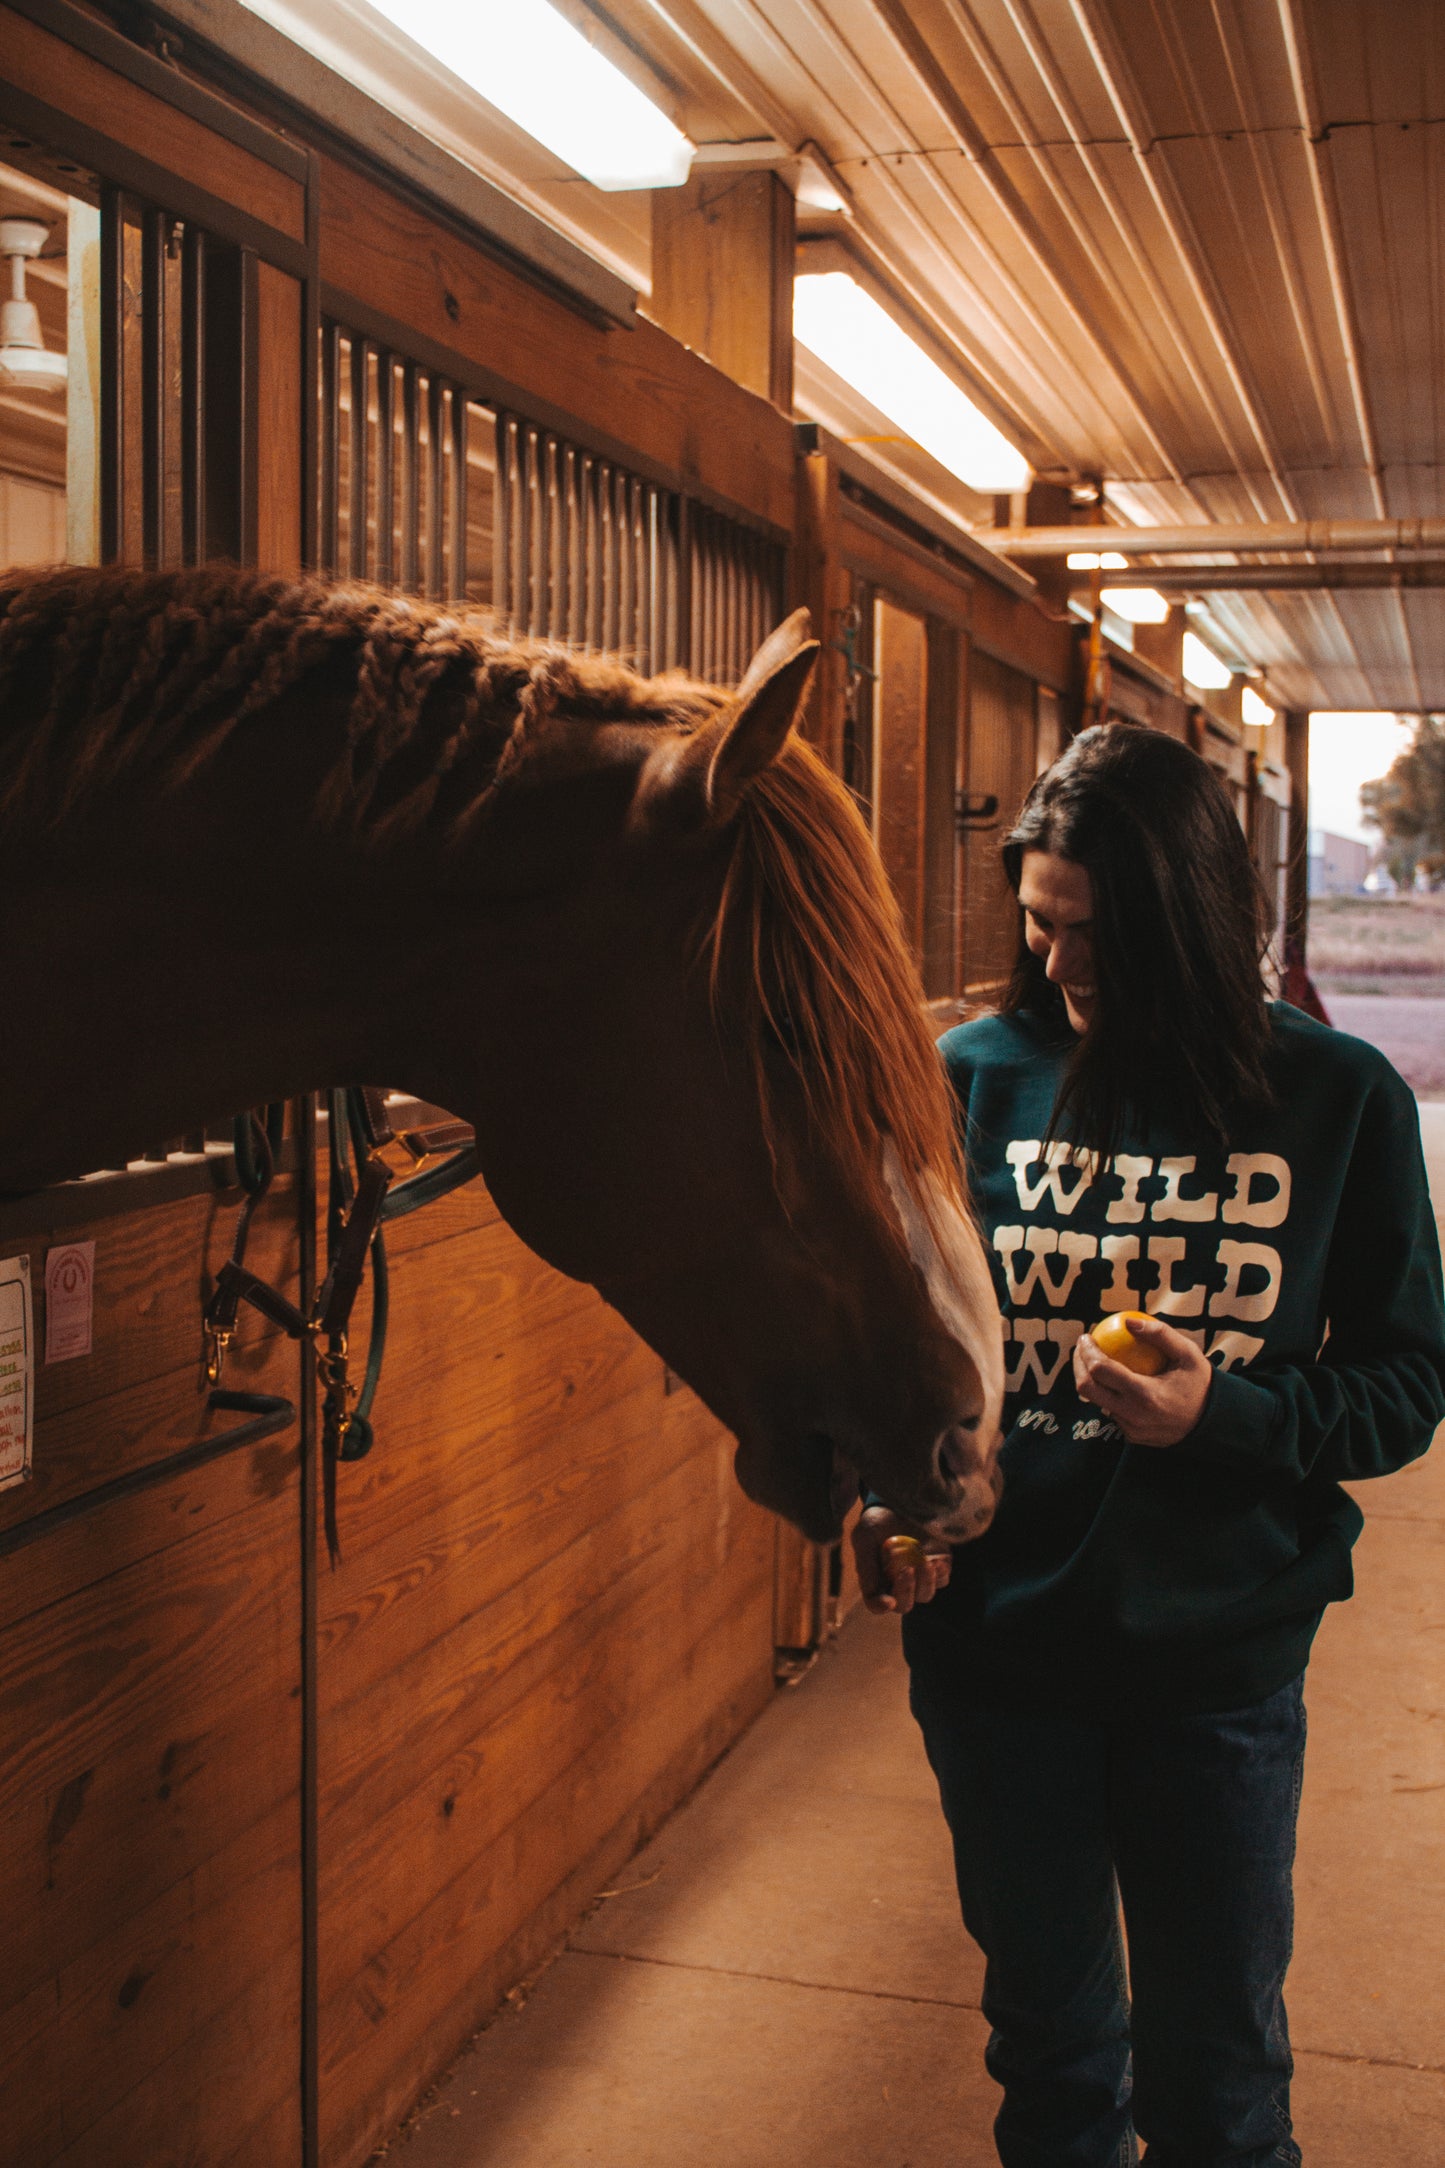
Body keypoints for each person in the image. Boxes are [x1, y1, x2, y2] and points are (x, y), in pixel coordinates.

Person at [853, 722, 1445, 2168]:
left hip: (1215, 1666)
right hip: (1000, 1659)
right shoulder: (963, 1078)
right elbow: (902, 1353)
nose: (1060, 967)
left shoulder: (1332, 1096)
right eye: (1042, 925)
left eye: (1100, 933)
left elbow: (1406, 1383)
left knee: (1216, 2079)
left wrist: (1222, 1417)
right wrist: (888, 1500)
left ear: (1194, 919)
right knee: (1050, 2061)